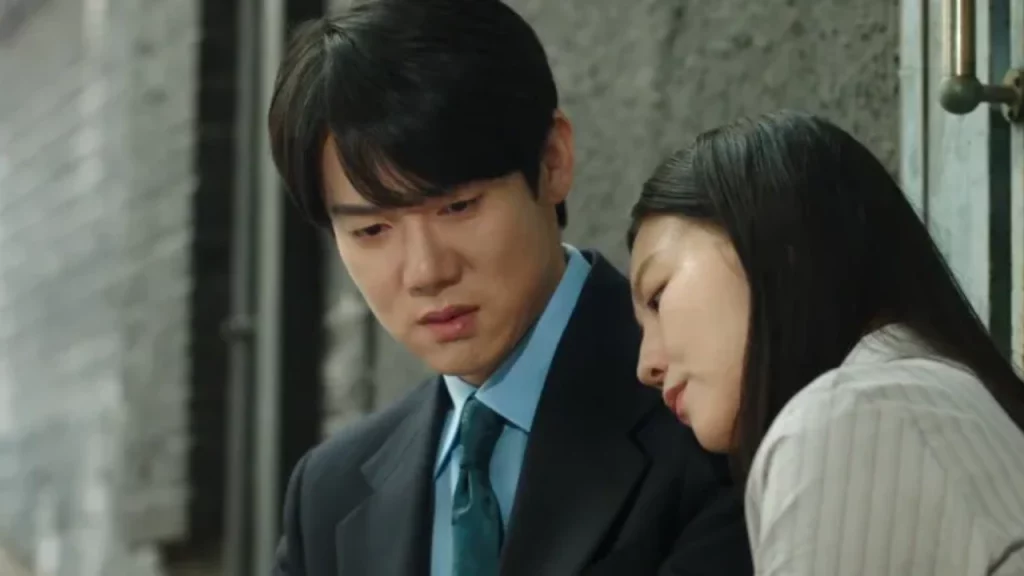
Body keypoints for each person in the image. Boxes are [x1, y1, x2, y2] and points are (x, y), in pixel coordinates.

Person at [266, 0, 752, 574]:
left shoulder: (712, 412)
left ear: (553, 161)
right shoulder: (330, 494)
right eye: (372, 230)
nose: (426, 272)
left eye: (458, 207)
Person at [628, 109, 1024, 575]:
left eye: (657, 297)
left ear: (773, 238)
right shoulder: (930, 401)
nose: (646, 366)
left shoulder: (856, 414)